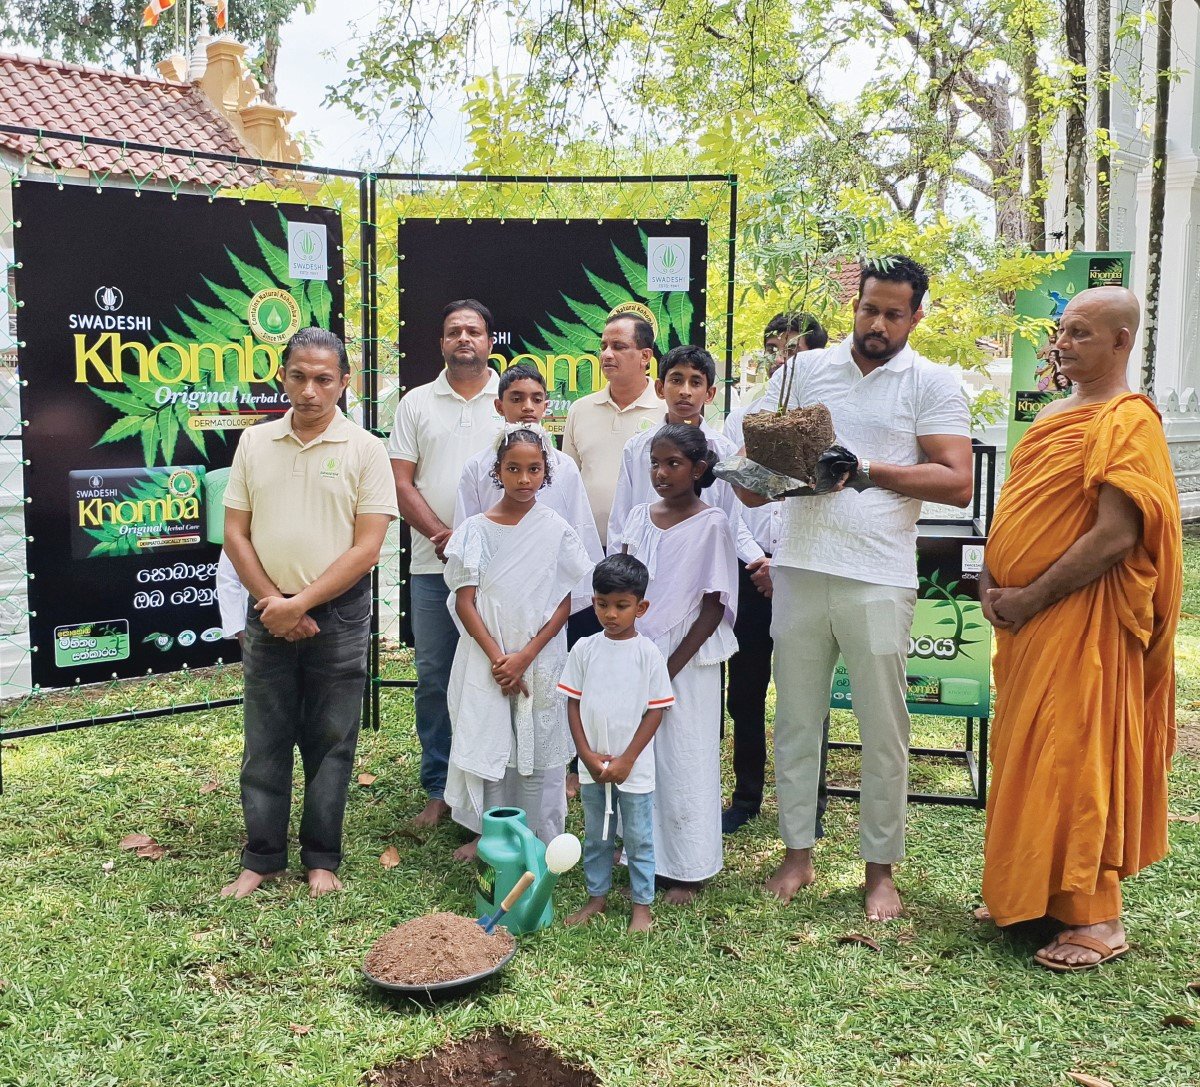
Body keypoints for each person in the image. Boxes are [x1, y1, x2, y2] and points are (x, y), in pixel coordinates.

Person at [737, 256, 972, 921]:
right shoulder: (804, 371)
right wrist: (777, 471)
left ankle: (879, 870)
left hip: (879, 574)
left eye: (895, 313)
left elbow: (957, 480)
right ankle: (797, 853)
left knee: (883, 729)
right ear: (856, 305)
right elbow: (752, 475)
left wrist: (866, 469)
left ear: (917, 315)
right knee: (797, 719)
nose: (879, 323)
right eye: (870, 308)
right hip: (801, 566)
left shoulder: (932, 382)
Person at [979, 286, 1181, 970]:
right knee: (1029, 749)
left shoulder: (1130, 420)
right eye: (1062, 331)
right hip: (1027, 618)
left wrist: (1031, 594)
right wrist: (990, 576)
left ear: (1121, 342)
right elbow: (1021, 505)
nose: (1062, 344)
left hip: (1083, 617)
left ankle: (1097, 917)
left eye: (1081, 334)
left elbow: (1116, 535)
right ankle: (1033, 889)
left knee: (1077, 753)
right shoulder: (1054, 417)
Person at [220, 328, 398, 899]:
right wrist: (276, 604)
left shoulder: (367, 450)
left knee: (331, 740)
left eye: (324, 378)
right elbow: (235, 533)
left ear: (345, 383)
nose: (310, 390)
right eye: (299, 376)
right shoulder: (255, 444)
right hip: (267, 612)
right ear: (282, 377)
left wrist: (301, 603)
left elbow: (367, 548)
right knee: (265, 740)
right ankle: (263, 858)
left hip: (338, 619)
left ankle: (322, 859)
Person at [456, 362, 604, 833]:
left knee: (540, 743)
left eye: (534, 469)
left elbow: (568, 596)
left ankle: (543, 839)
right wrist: (501, 658)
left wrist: (526, 655)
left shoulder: (557, 530)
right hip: (489, 656)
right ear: (496, 473)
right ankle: (494, 836)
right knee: (494, 740)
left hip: (541, 656)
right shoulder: (474, 532)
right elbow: (464, 600)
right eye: (513, 470)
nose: (524, 479)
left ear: (547, 473)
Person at [613, 424, 739, 904]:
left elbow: (713, 604)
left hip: (687, 657)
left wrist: (670, 667)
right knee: (640, 756)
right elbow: (623, 583)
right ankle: (643, 853)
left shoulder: (712, 524)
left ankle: (687, 868)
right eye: (656, 464)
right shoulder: (640, 517)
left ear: (699, 469)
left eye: (673, 464)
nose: (662, 474)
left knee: (685, 757)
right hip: (638, 652)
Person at [390, 300, 503, 827]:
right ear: (441, 343)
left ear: (488, 340)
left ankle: (492, 788)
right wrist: (440, 534)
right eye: (454, 330)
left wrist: (482, 542)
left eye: (474, 331)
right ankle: (439, 787)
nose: (464, 338)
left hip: (499, 571)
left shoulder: (508, 402)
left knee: (493, 672)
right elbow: (400, 482)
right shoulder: (415, 404)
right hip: (432, 568)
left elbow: (531, 477)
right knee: (436, 676)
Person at [720, 314, 828, 836]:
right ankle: (746, 797)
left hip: (804, 569)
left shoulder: (826, 421)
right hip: (748, 573)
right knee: (745, 691)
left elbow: (828, 502)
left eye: (794, 350)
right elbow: (729, 501)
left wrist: (781, 564)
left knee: (804, 691)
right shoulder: (741, 419)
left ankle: (810, 801)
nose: (781, 360)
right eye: (773, 349)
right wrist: (756, 561)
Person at [560, 554, 674, 933]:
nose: (611, 614)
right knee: (597, 837)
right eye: (602, 604)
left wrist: (627, 760)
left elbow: (655, 713)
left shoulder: (648, 654)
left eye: (622, 606)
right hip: (592, 767)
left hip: (634, 769)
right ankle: (597, 898)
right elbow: (572, 705)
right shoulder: (584, 649)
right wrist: (586, 757)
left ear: (641, 607)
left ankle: (642, 906)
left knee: (639, 838)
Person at [607, 344, 767, 575]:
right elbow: (621, 517)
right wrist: (616, 578)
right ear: (661, 388)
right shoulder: (638, 447)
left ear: (709, 393)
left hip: (700, 568)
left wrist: (740, 567)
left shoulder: (725, 452)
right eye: (676, 380)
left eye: (695, 382)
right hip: (645, 569)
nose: (685, 391)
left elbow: (729, 521)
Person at [562, 313, 664, 552]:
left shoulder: (667, 412)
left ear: (645, 356)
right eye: (604, 346)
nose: (607, 354)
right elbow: (568, 481)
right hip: (586, 547)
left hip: (649, 547)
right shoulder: (580, 409)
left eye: (618, 346)